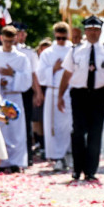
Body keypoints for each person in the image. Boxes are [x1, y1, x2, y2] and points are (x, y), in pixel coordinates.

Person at [58, 15, 104, 182]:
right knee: (78, 131)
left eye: (96, 29)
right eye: (90, 29)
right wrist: (60, 95)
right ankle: (77, 169)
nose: (93, 32)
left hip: (99, 94)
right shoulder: (75, 50)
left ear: (100, 31)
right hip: (79, 94)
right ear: (85, 31)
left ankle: (91, 170)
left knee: (95, 132)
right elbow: (66, 74)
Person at [0, 26, 32, 172]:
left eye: (11, 41)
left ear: (15, 39)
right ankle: (1, 162)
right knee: (1, 129)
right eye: (6, 41)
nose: (9, 44)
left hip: (14, 95)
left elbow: (27, 79)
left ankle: (16, 162)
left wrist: (14, 74)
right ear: (1, 39)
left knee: (16, 130)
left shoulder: (22, 58)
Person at [36, 22, 74, 170]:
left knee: (68, 125)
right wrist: (54, 68)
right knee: (54, 126)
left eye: (63, 38)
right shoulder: (48, 53)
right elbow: (40, 75)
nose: (61, 41)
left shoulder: (73, 50)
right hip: (53, 91)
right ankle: (57, 156)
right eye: (58, 38)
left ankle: (68, 154)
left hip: (69, 91)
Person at [14, 24, 43, 166]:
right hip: (8, 91)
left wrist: (38, 92)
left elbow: (33, 73)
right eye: (16, 33)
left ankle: (27, 156)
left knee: (26, 124)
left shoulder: (29, 52)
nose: (18, 36)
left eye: (21, 33)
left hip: (25, 91)